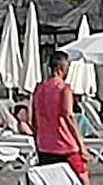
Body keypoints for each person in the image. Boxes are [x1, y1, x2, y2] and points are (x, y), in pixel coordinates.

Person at [31, 52, 87, 181]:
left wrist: (37, 141)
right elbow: (68, 116)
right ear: (61, 68)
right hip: (65, 145)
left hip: (44, 146)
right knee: (82, 179)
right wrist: (81, 145)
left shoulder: (39, 89)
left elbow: (34, 120)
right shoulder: (64, 89)